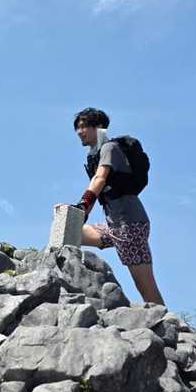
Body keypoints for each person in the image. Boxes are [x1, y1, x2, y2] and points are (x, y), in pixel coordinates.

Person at [71, 107, 165, 307]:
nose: (79, 132)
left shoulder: (109, 148)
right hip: (114, 226)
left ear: (99, 127)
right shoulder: (94, 155)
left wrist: (83, 207)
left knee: (146, 287)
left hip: (130, 226)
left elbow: (100, 179)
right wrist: (75, 213)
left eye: (84, 126)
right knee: (70, 231)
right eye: (77, 128)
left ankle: (169, 324)